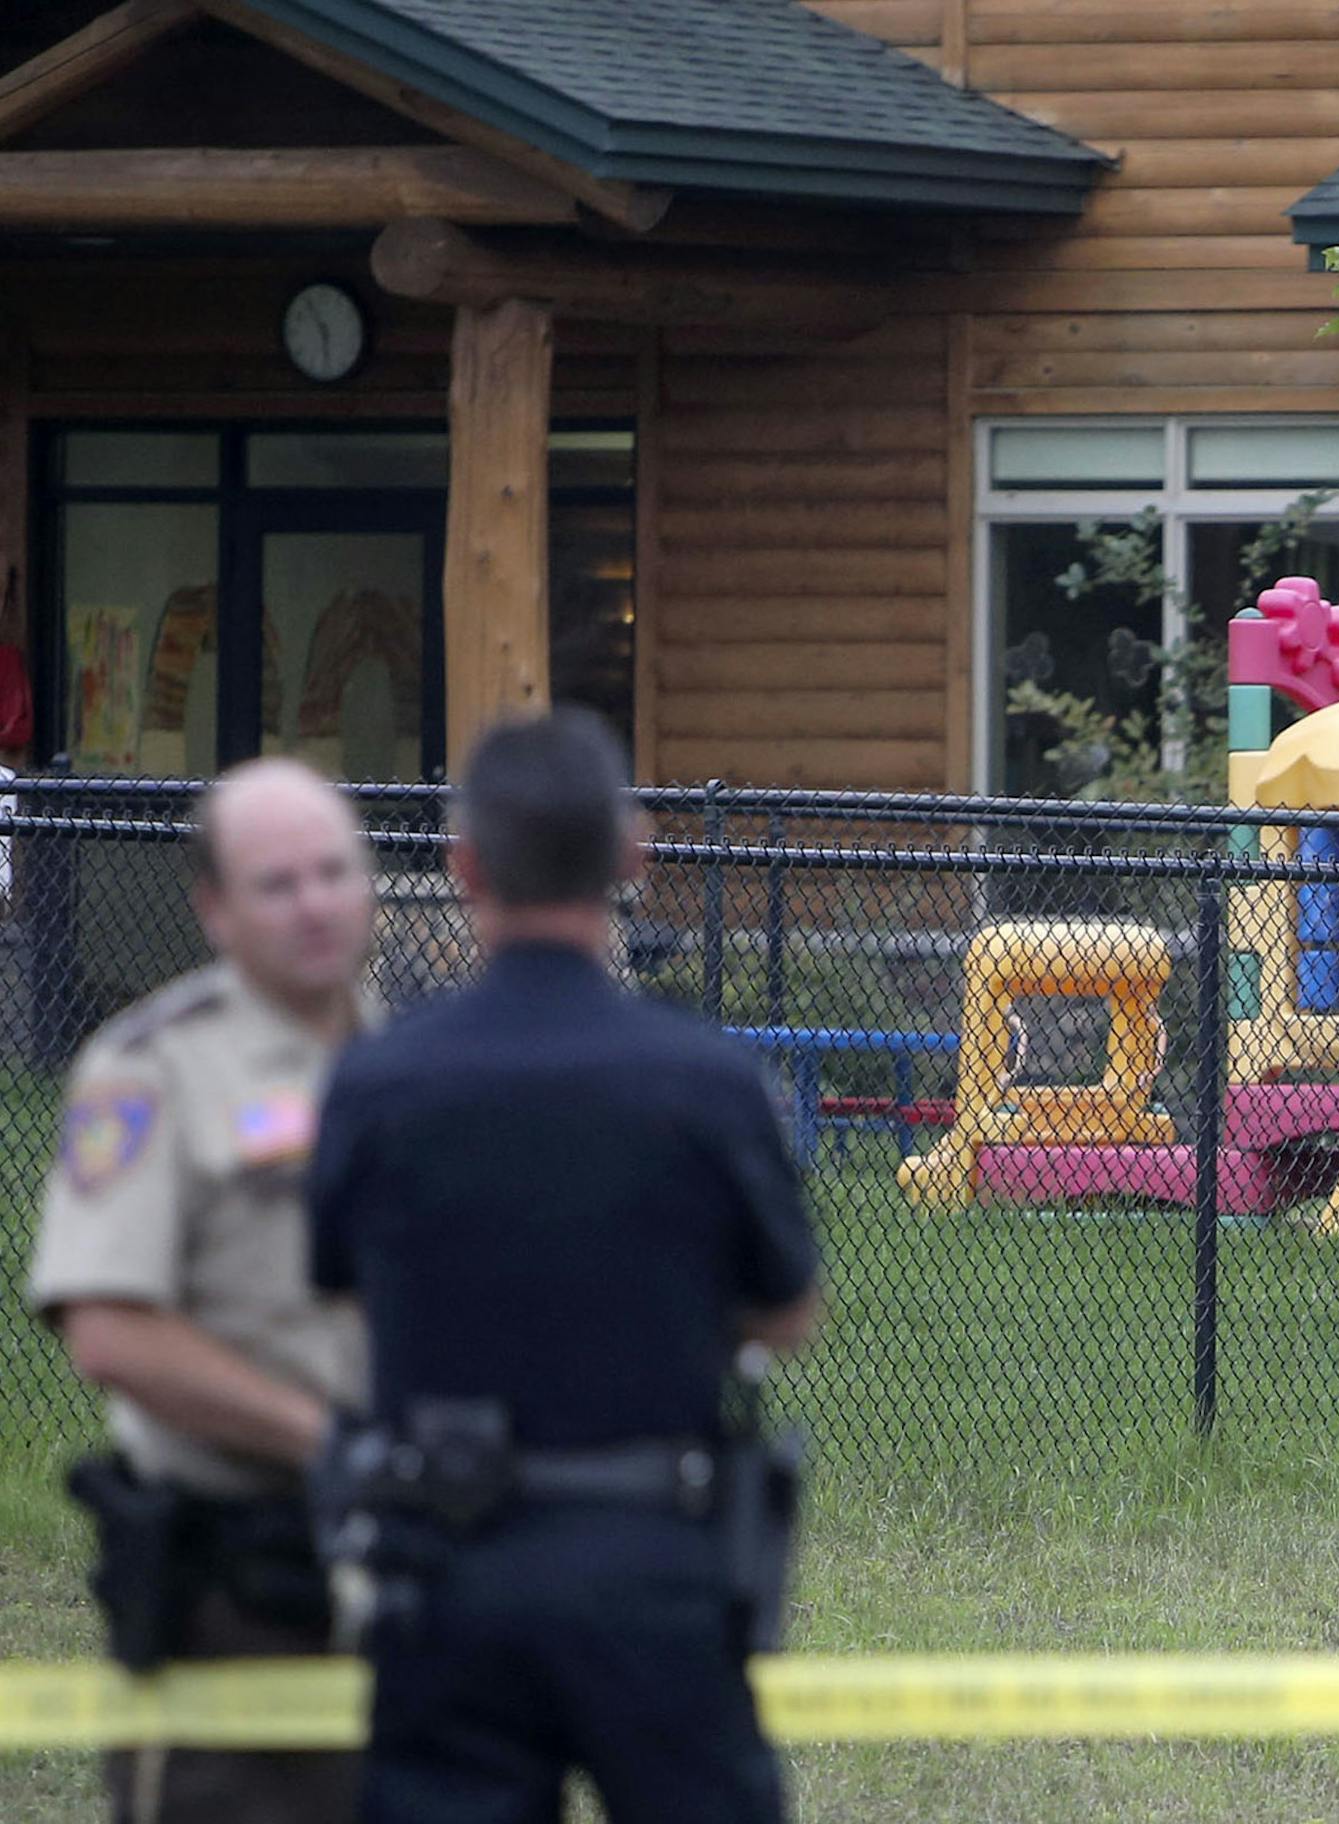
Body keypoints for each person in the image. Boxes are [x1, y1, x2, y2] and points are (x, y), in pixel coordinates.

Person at [308, 708, 821, 1824]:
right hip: (653, 1562)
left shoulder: (380, 1081)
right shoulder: (708, 1083)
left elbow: (340, 1287)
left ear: (463, 867)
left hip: (441, 1564)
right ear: (633, 857)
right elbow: (787, 1311)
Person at [31, 758, 377, 1824]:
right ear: (214, 910)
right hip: (241, 1574)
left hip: (411, 1567)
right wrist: (322, 1440)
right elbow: (109, 1331)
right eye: (277, 884)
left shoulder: (410, 1061)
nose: (315, 904)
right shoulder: (148, 1072)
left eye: (335, 871)